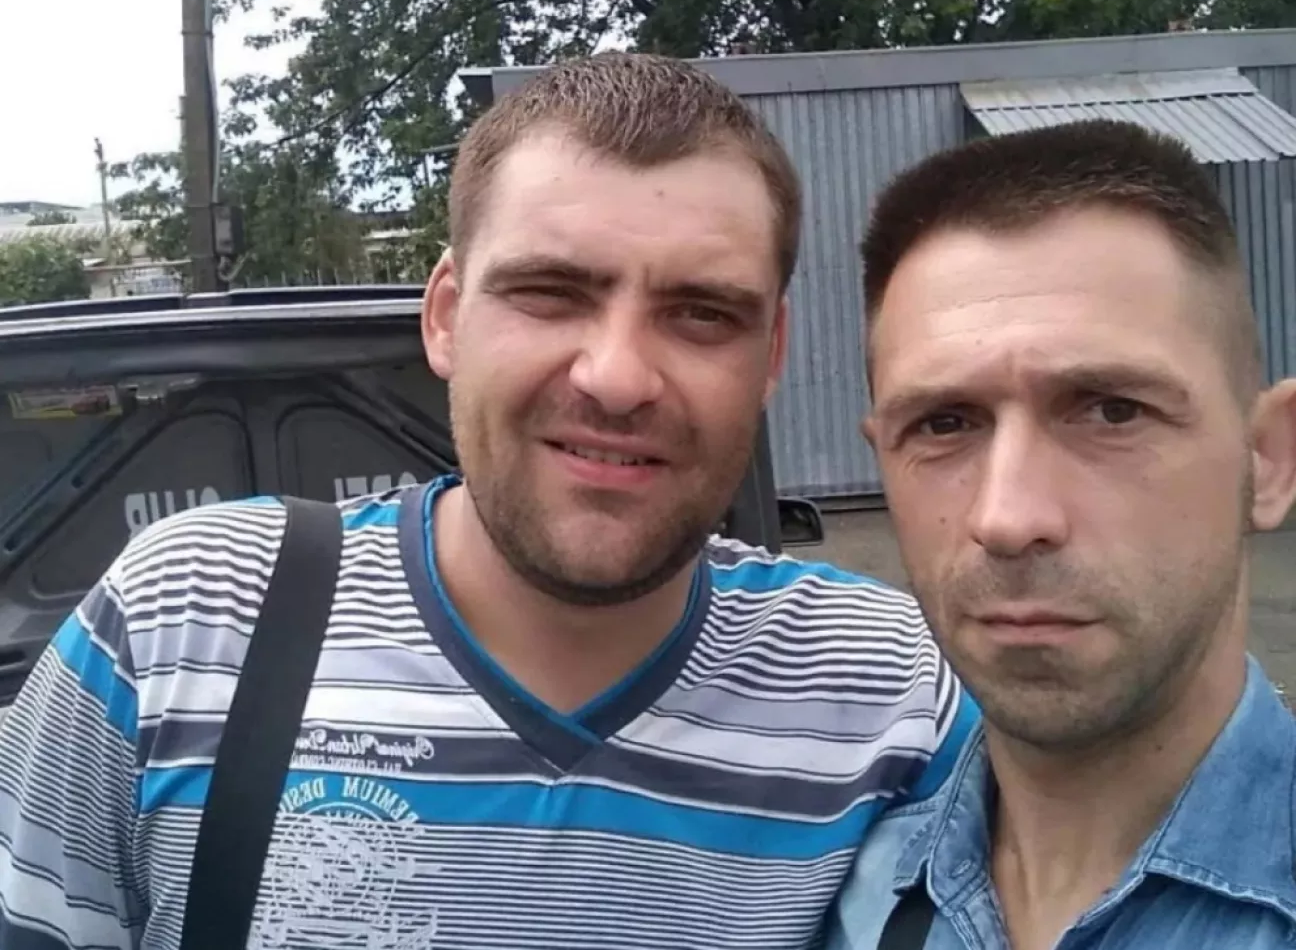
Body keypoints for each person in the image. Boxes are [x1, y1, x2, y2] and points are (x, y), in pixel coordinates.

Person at [0, 52, 976, 950]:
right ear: (445, 318)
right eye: (550, 292)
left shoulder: (894, 694)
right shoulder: (182, 622)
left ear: (770, 356)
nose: (616, 376)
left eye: (701, 313)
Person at [826, 118, 1296, 950]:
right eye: (944, 423)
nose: (1007, 517)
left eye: (1112, 410)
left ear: (1267, 460)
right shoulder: (853, 901)